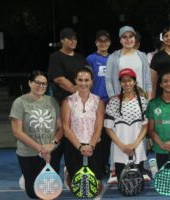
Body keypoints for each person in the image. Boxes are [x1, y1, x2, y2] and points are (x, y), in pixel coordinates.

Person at [10, 70, 62, 199]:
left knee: (49, 193)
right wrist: (39, 149)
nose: (41, 86)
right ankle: (27, 178)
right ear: (30, 83)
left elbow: (61, 128)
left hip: (51, 152)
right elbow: (17, 132)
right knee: (34, 194)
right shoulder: (19, 102)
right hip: (28, 153)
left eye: (44, 84)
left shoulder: (52, 101)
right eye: (37, 83)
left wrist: (52, 144)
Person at [47, 27, 87, 181]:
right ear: (62, 40)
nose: (73, 41)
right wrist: (78, 88)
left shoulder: (80, 58)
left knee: (74, 141)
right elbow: (59, 79)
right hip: (62, 103)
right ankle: (51, 175)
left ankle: (72, 174)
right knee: (59, 139)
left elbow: (87, 76)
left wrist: (82, 91)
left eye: (75, 39)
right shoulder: (56, 57)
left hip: (79, 105)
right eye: (70, 38)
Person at [61, 67, 104, 194]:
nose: (83, 83)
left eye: (86, 80)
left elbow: (98, 127)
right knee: (78, 191)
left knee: (94, 191)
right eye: (80, 80)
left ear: (91, 82)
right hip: (74, 146)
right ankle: (69, 173)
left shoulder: (98, 101)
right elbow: (66, 128)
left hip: (94, 146)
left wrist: (90, 145)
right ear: (75, 81)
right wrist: (80, 147)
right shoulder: (68, 101)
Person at [104, 68, 148, 180]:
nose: (127, 83)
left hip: (137, 148)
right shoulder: (113, 102)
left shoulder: (143, 101)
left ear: (134, 82)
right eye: (123, 81)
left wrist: (135, 144)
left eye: (129, 80)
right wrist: (122, 146)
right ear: (120, 83)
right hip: (119, 150)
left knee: (137, 184)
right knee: (123, 184)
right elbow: (108, 128)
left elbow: (145, 126)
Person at [86, 30, 112, 176]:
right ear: (96, 43)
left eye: (106, 40)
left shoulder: (114, 58)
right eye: (100, 41)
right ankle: (97, 165)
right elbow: (88, 79)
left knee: (109, 135)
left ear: (109, 42)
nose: (103, 43)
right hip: (96, 103)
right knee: (97, 134)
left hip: (111, 103)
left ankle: (107, 164)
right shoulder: (91, 58)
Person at [105, 25, 152, 99]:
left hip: (141, 98)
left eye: (131, 36)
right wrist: (113, 98)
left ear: (134, 38)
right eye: (124, 37)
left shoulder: (142, 56)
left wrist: (149, 98)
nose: (128, 39)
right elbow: (108, 80)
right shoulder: (113, 57)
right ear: (120, 40)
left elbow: (148, 80)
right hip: (120, 99)